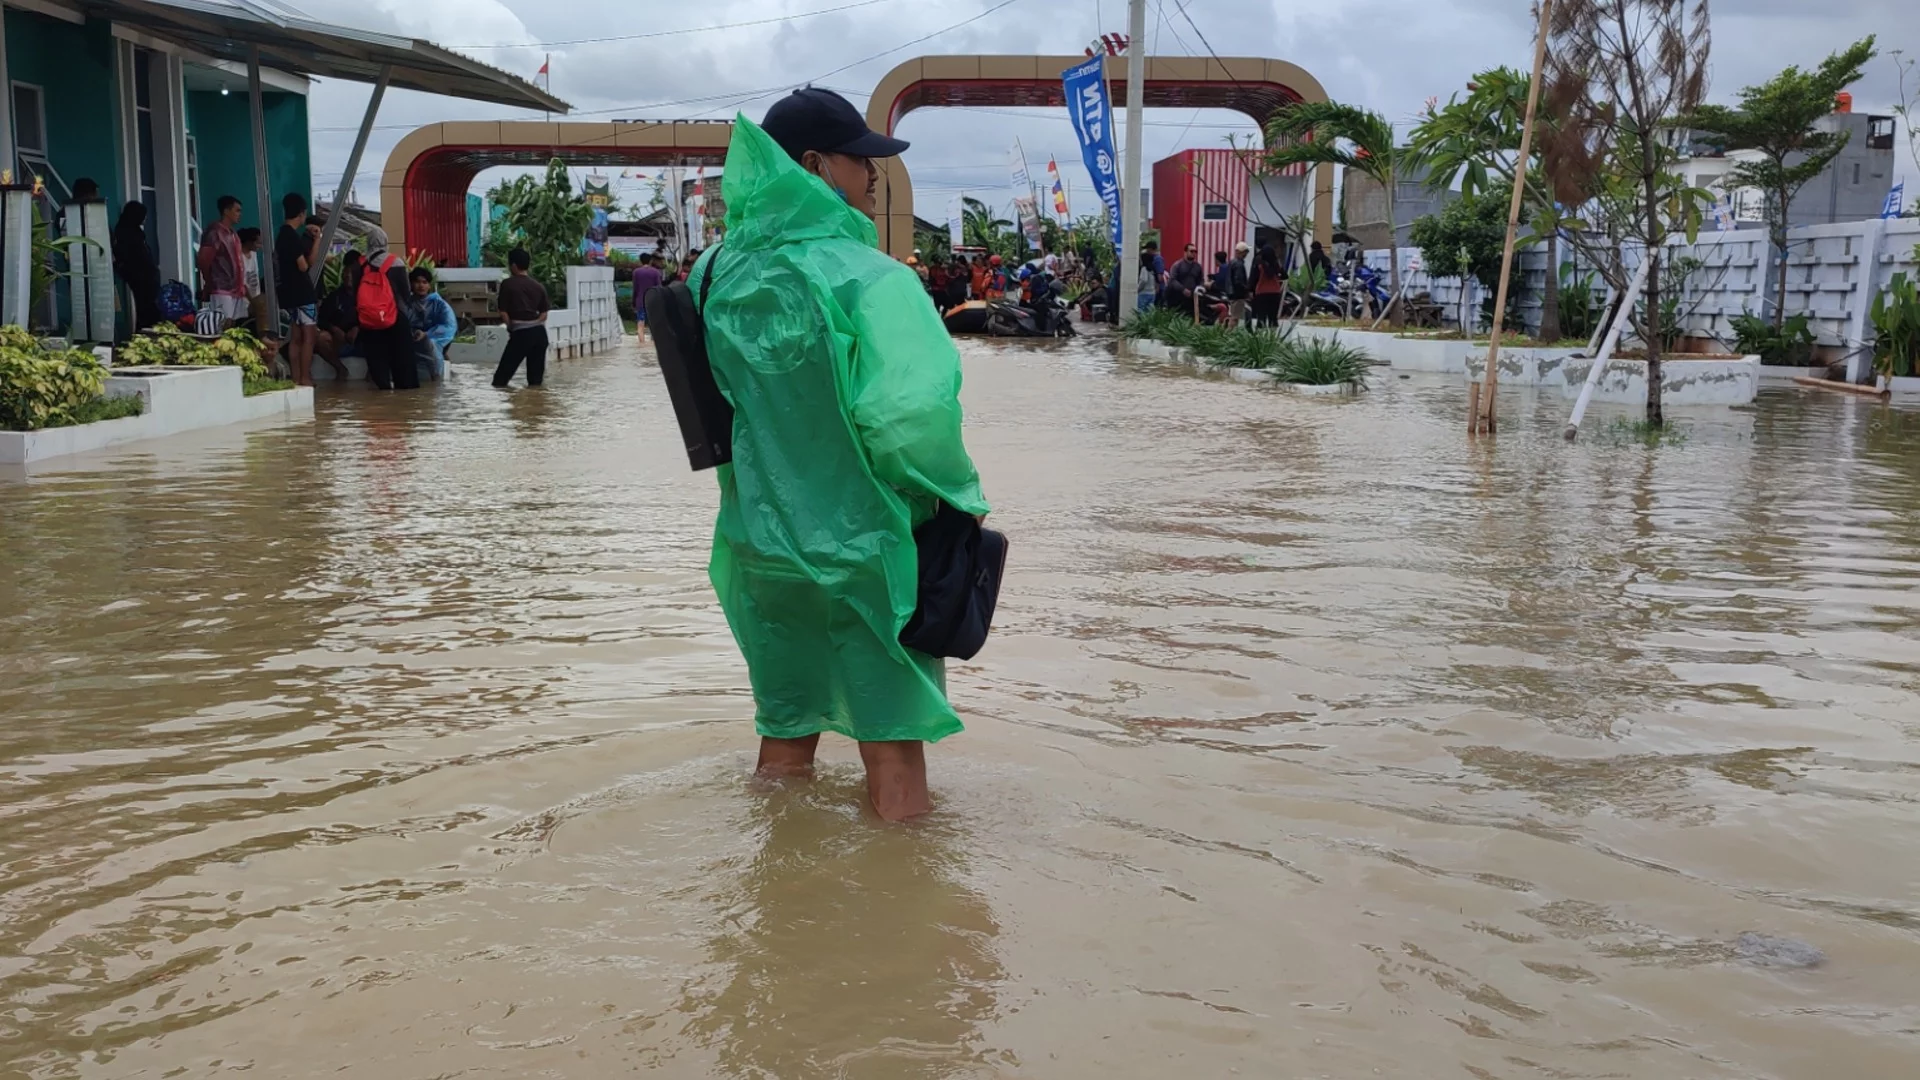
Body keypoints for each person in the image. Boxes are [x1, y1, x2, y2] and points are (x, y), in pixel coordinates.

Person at [699, 88, 988, 821]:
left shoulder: (713, 278)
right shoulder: (875, 279)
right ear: (813, 165)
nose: (873, 176)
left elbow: (708, 412)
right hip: (869, 549)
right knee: (891, 745)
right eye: (862, 161)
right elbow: (906, 423)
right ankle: (901, 913)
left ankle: (780, 887)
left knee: (785, 731)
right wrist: (957, 503)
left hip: (760, 544)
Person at [357, 237, 420, 391]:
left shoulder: (359, 264)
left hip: (368, 320)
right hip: (395, 316)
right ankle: (405, 398)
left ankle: (383, 390)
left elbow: (355, 295)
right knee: (403, 361)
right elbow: (406, 293)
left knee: (376, 359)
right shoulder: (395, 262)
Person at [277, 193, 323, 386]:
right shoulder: (292, 237)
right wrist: (318, 239)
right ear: (302, 213)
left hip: (288, 293)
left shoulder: (281, 235)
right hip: (303, 293)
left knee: (295, 337)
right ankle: (305, 377)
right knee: (308, 337)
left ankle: (296, 377)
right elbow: (305, 265)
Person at [492, 247, 550, 388]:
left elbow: (503, 312)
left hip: (521, 334)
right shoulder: (539, 286)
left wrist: (511, 327)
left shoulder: (508, 284)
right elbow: (544, 315)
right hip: (540, 335)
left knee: (500, 381)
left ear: (513, 265)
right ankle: (535, 408)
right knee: (535, 382)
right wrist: (534, 323)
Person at [196, 195, 248, 329]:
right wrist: (209, 281)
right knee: (222, 326)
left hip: (236, 288)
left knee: (234, 327)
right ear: (226, 211)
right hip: (221, 288)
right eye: (237, 210)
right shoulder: (215, 232)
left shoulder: (232, 233)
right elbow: (203, 260)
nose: (240, 214)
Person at [112, 201, 162, 331]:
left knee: (147, 307)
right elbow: (133, 256)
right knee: (146, 309)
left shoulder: (132, 230)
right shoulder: (127, 233)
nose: (145, 219)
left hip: (144, 276)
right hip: (140, 277)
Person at [316, 250, 362, 379]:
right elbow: (321, 319)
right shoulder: (334, 296)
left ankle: (373, 376)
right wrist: (334, 329)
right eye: (345, 273)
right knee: (320, 338)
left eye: (351, 274)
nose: (348, 277)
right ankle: (340, 369)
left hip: (362, 339)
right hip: (339, 341)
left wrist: (358, 328)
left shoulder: (365, 294)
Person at [408, 268, 457, 381]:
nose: (421, 286)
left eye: (424, 282)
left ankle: (436, 378)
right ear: (411, 284)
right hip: (412, 339)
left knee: (432, 344)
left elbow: (449, 326)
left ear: (429, 285)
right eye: (417, 282)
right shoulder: (407, 303)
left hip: (434, 339)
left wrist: (426, 334)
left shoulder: (440, 304)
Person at [237, 227, 267, 331]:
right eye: (257, 243)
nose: (260, 246)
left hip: (255, 296)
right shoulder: (238, 257)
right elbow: (242, 284)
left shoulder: (253, 254)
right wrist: (253, 302)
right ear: (249, 242)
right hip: (245, 301)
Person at [1165, 242, 1205, 315]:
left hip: (1192, 297)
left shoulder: (1198, 267)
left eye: (1195, 251)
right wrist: (1183, 289)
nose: (1194, 253)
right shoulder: (1177, 265)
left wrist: (1200, 289)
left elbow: (1201, 280)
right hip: (1177, 297)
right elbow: (1172, 280)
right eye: (1191, 251)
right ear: (1185, 252)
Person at [1250, 242, 1285, 327]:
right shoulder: (1276, 265)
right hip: (1275, 293)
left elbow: (1253, 278)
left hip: (1261, 293)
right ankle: (1273, 337)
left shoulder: (1259, 264)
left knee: (1261, 317)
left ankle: (1261, 337)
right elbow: (1285, 275)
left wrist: (1250, 290)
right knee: (1273, 318)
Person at [631, 253, 664, 339]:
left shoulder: (636, 272)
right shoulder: (655, 272)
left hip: (640, 302)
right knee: (654, 326)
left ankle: (641, 345)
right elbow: (659, 288)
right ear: (650, 261)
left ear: (640, 261)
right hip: (653, 302)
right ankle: (653, 347)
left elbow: (635, 289)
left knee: (640, 325)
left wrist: (633, 302)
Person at [1134, 240, 1165, 312]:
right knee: (1149, 311)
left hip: (1147, 291)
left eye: (1147, 249)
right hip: (1152, 292)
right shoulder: (1152, 266)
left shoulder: (1156, 260)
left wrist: (1138, 289)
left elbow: (1158, 277)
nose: (1147, 251)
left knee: (1140, 310)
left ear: (1151, 249)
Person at [1227, 241, 1252, 326]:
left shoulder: (1232, 262)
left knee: (1234, 316)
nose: (1246, 254)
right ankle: (1227, 336)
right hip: (1238, 295)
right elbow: (1239, 281)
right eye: (1246, 251)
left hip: (1232, 294)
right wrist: (1246, 290)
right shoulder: (1239, 264)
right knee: (1235, 318)